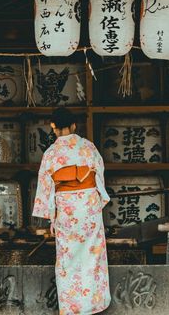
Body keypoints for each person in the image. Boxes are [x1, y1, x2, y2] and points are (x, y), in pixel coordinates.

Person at [32, 107, 111, 314]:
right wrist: (94, 201)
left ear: (54, 127)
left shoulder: (51, 153)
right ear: (74, 125)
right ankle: (93, 304)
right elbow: (99, 176)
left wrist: (51, 215)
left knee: (67, 258)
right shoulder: (88, 148)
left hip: (66, 208)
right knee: (92, 254)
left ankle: (71, 308)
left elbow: (45, 186)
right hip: (88, 206)